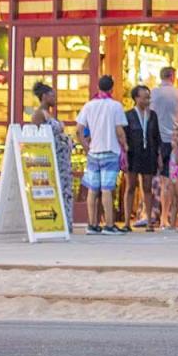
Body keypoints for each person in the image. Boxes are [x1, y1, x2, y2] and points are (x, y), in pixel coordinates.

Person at [75, 74, 129, 235]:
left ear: (98, 87)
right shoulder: (116, 106)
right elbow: (119, 131)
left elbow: (78, 130)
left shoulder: (89, 105)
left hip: (94, 153)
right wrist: (125, 146)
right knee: (107, 189)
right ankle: (109, 225)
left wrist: (86, 147)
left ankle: (92, 224)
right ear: (112, 88)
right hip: (110, 152)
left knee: (92, 189)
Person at [31, 80, 75, 228]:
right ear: (44, 96)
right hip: (53, 159)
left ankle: (66, 221)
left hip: (62, 159)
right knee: (59, 189)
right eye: (52, 95)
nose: (55, 98)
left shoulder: (49, 114)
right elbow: (39, 136)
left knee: (65, 190)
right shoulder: (39, 114)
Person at [123, 85, 163, 231]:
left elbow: (156, 136)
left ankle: (149, 221)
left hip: (149, 153)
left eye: (148, 97)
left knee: (147, 186)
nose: (147, 100)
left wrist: (158, 156)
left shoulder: (152, 115)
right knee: (131, 186)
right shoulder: (128, 115)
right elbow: (124, 137)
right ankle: (127, 222)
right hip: (133, 154)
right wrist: (124, 155)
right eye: (144, 97)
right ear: (136, 98)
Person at [150, 66, 178, 222]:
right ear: (173, 76)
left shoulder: (154, 93)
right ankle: (167, 215)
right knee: (171, 180)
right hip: (176, 140)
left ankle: (157, 215)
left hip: (158, 139)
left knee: (159, 180)